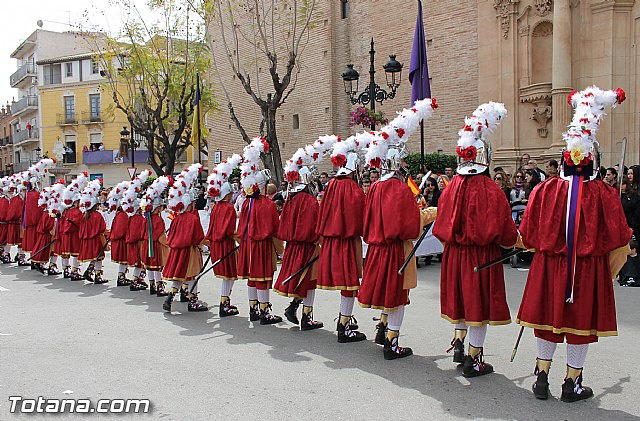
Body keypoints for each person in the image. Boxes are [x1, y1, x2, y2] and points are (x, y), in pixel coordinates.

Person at [517, 86, 630, 403]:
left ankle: (541, 376)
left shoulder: (543, 190)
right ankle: (572, 383)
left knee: (547, 321)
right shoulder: (603, 193)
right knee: (579, 323)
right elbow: (619, 236)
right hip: (585, 268)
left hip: (548, 265)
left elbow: (527, 231)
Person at [434, 102, 517, 378]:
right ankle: (473, 357)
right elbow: (506, 232)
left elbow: (441, 225)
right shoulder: (492, 190)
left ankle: (459, 342)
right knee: (478, 304)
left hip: (455, 253)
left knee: (461, 299)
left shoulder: (450, 188)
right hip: (482, 255)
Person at [275, 144, 335, 331]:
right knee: (309, 281)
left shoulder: (290, 200)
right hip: (307, 246)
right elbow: (313, 227)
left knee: (303, 280)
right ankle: (306, 316)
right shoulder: (309, 201)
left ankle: (295, 308)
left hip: (293, 245)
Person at [318, 145, 367, 342]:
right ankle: (344, 325)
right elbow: (359, 217)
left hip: (331, 240)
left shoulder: (330, 185)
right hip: (348, 239)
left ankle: (344, 320)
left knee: (347, 284)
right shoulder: (352, 188)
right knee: (349, 283)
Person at [236, 138, 282, 324]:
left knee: (252, 278)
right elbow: (273, 228)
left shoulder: (246, 202)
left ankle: (253, 308)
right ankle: (264, 311)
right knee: (261, 278)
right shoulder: (267, 204)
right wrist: (280, 249)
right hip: (261, 245)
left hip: (248, 244)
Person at [162, 164, 208, 312]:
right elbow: (197, 236)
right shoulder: (192, 218)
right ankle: (192, 301)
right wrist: (204, 245)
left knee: (179, 275)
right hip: (190, 250)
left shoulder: (177, 218)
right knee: (193, 274)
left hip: (177, 250)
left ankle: (170, 296)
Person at [205, 154, 243, 317]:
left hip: (216, 245)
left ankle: (224, 302)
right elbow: (228, 230)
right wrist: (239, 238)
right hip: (225, 244)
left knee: (227, 276)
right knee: (229, 275)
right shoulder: (227, 208)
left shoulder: (216, 208)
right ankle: (224, 303)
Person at [140, 176, 171, 297]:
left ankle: (152, 285)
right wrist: (167, 242)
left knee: (150, 267)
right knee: (157, 266)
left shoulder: (146, 218)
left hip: (147, 244)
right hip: (156, 245)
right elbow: (160, 234)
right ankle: (159, 286)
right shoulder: (157, 219)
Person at [121, 170, 152, 291]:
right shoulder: (137, 219)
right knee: (139, 263)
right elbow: (137, 233)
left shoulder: (135, 218)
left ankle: (138, 279)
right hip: (139, 243)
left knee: (140, 264)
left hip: (138, 243)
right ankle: (135, 281)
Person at [58, 173, 89, 280]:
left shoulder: (67, 211)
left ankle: (66, 270)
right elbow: (80, 223)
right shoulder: (76, 212)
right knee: (75, 254)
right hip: (73, 235)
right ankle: (74, 271)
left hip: (66, 235)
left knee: (66, 253)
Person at [78, 179, 108, 284]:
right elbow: (102, 227)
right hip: (96, 239)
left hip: (87, 239)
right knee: (99, 257)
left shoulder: (84, 216)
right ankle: (97, 275)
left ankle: (90, 270)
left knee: (96, 256)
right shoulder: (97, 215)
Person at [106, 181, 132, 286]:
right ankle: (121, 277)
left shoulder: (120, 214)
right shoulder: (123, 215)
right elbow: (122, 230)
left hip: (121, 239)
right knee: (123, 260)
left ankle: (122, 276)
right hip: (122, 240)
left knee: (124, 260)